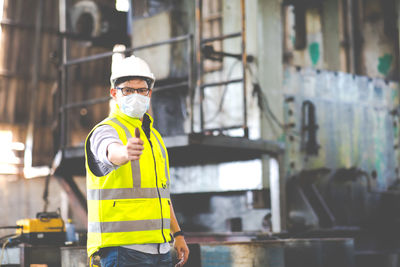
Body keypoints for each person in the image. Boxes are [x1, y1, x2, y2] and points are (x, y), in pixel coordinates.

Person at [85, 55, 189, 267]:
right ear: (114, 93)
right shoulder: (105, 130)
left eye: (141, 90)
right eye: (128, 90)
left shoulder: (154, 138)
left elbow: (160, 194)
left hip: (160, 249)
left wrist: (177, 234)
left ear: (149, 94)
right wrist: (124, 153)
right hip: (123, 251)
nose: (136, 95)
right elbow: (110, 151)